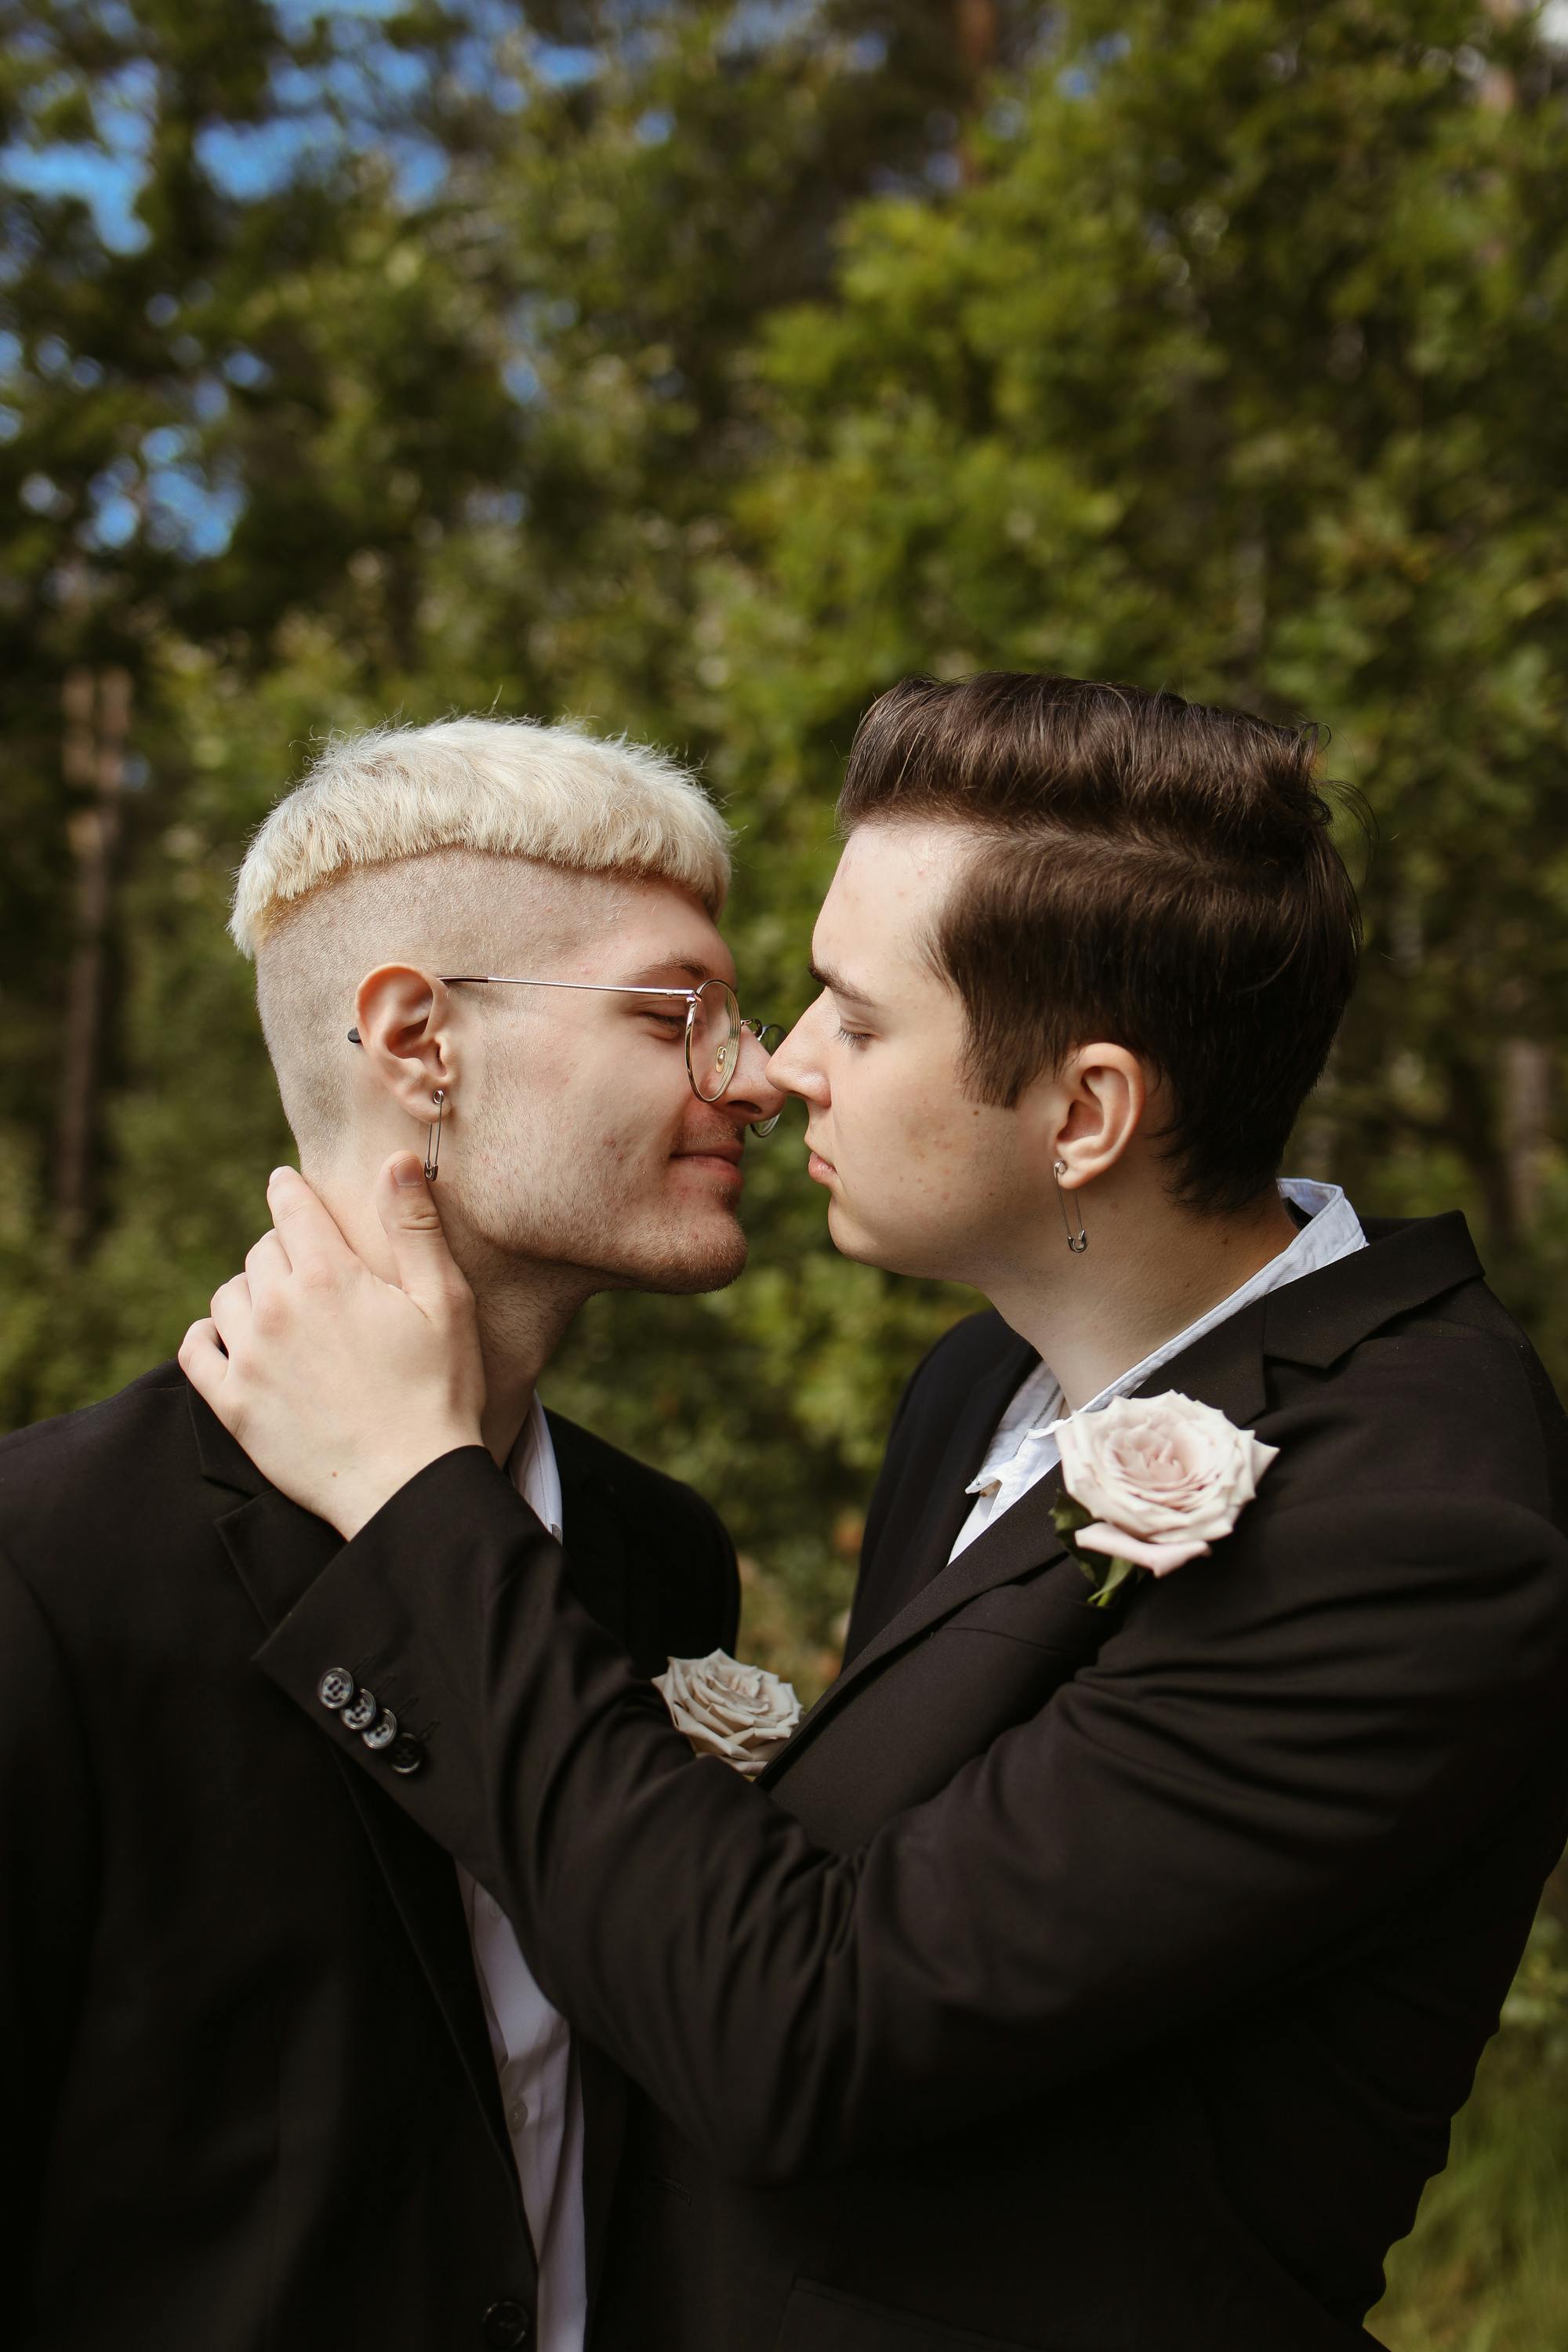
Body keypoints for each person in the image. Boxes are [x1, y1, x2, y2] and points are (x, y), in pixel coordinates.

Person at [186, 673, 1568, 2352]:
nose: (777, 1073)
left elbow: (809, 2034)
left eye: (854, 1015)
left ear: (1084, 1115)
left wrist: (413, 1492)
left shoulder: (1417, 1522)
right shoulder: (972, 1387)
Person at [0, 714, 785, 2352]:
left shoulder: (659, 1554)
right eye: (676, 1014)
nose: (760, 1073)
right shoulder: (42, 1571)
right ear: (417, 1038)